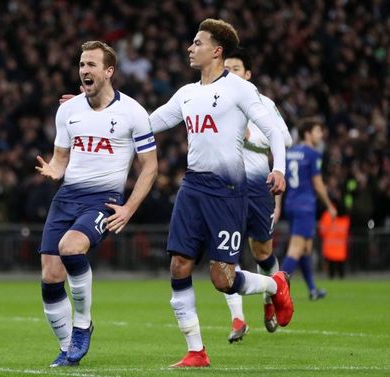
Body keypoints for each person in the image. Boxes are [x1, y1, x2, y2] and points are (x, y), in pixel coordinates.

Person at [149, 19, 294, 368]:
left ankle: (276, 285)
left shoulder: (240, 90)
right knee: (179, 264)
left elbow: (275, 131)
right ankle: (196, 351)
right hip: (193, 186)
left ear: (216, 50)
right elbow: (148, 123)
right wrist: (98, 106)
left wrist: (279, 170)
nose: (189, 48)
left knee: (222, 280)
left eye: (197, 43)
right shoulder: (186, 93)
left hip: (228, 192)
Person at [36, 40, 157, 367]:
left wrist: (129, 208)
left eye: (91, 65)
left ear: (109, 71)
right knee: (50, 274)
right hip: (68, 197)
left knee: (71, 247)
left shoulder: (133, 112)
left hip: (104, 200)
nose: (84, 70)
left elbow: (150, 166)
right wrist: (53, 169)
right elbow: (61, 159)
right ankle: (66, 350)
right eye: (81, 65)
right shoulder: (68, 109)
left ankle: (83, 323)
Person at [222, 48, 293, 342]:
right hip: (225, 188)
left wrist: (251, 139)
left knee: (262, 253)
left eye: (235, 68)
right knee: (226, 253)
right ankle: (238, 319)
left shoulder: (263, 103)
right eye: (225, 68)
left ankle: (270, 296)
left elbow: (285, 139)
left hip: (258, 188)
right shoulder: (215, 103)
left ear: (247, 74)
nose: (229, 73)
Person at [281, 118, 337, 300]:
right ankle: (275, 289)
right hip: (305, 205)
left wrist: (278, 205)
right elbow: (318, 184)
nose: (321, 135)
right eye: (317, 131)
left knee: (306, 248)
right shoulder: (313, 154)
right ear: (307, 134)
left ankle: (312, 289)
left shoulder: (290, 152)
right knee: (296, 249)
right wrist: (329, 205)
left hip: (291, 203)